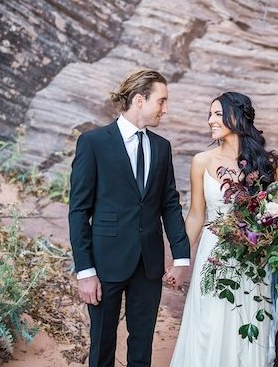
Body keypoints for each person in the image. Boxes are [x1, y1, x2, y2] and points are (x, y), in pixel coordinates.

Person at [68, 68, 190, 367]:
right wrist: (85, 271)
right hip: (105, 262)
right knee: (102, 344)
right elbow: (79, 211)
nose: (165, 109)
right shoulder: (93, 142)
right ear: (139, 99)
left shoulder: (162, 147)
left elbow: (169, 204)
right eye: (161, 101)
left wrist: (181, 257)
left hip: (148, 264)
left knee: (142, 344)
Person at [169, 92, 278, 367]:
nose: (210, 120)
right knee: (208, 325)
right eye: (210, 114)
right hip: (214, 258)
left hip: (254, 261)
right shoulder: (201, 161)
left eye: (217, 113)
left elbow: (275, 216)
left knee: (250, 326)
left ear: (237, 117)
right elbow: (196, 216)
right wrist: (180, 261)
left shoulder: (267, 165)